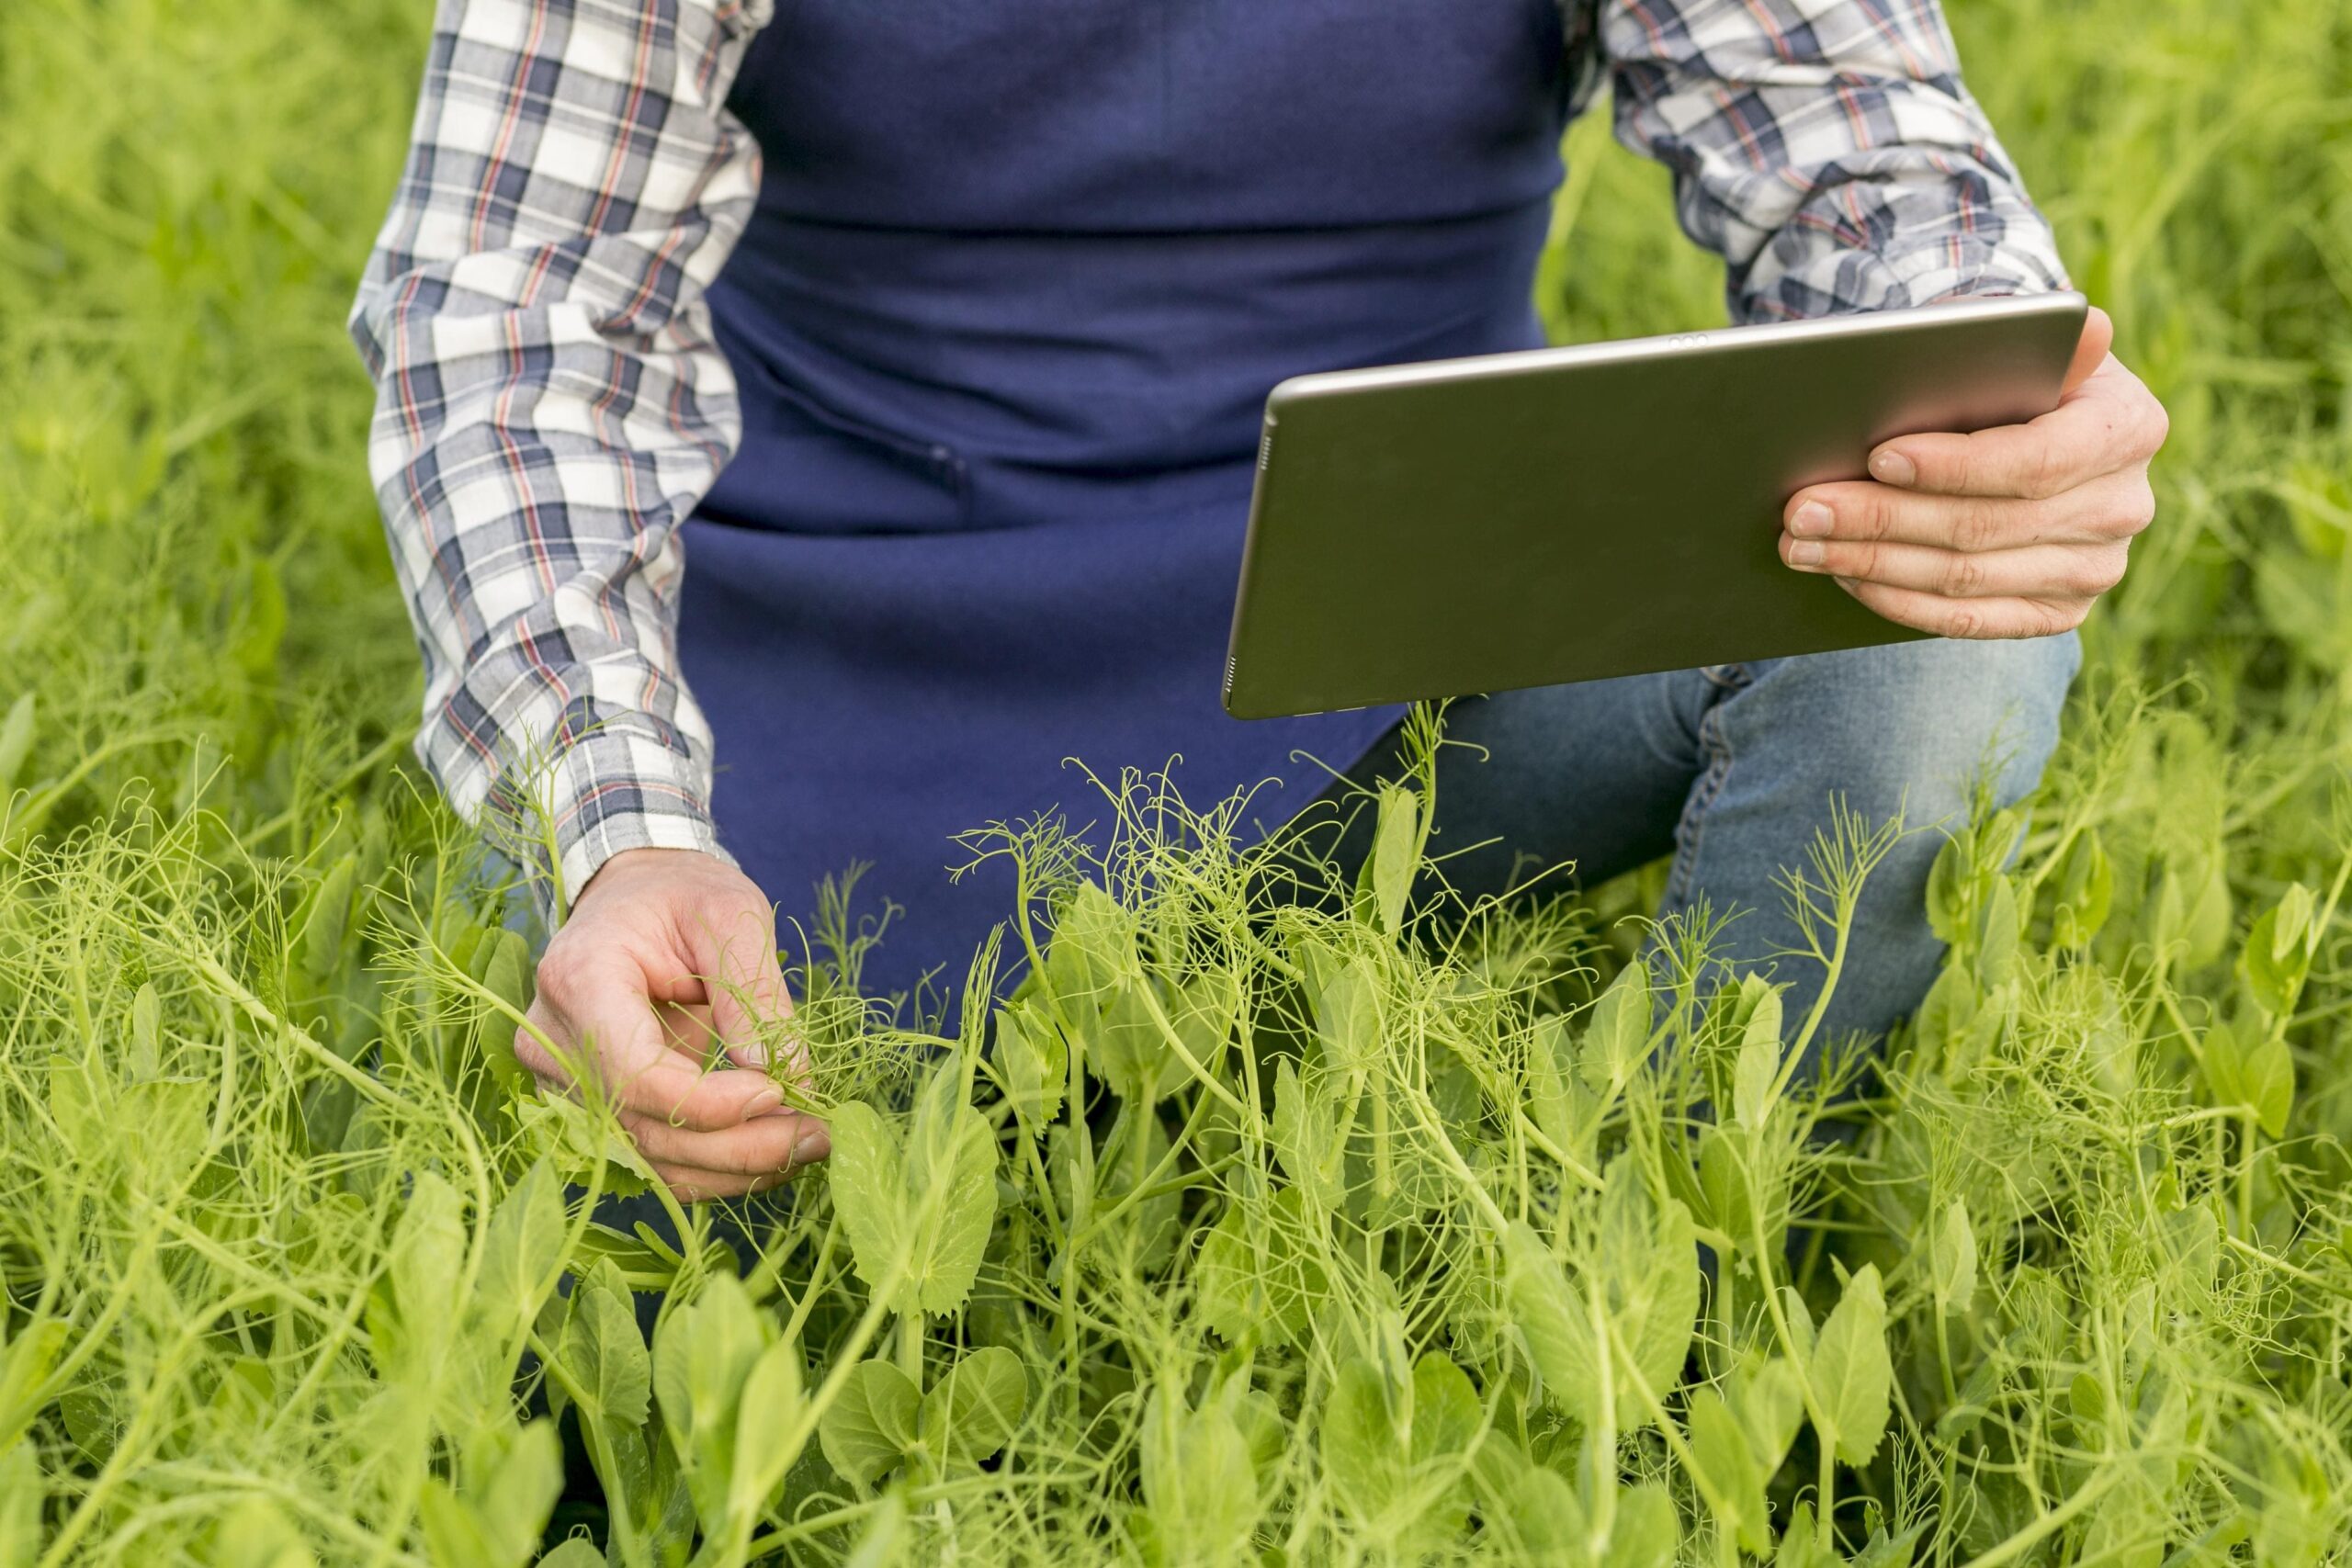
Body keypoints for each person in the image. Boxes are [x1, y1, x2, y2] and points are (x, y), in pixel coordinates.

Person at [351, 0, 2165, 1204]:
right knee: (653, 1239)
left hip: (1413, 660)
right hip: (820, 696)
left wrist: (1993, 395)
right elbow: (512, 317)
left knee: (1947, 608)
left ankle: (1669, 1294)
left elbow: (1873, 171)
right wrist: (621, 827)